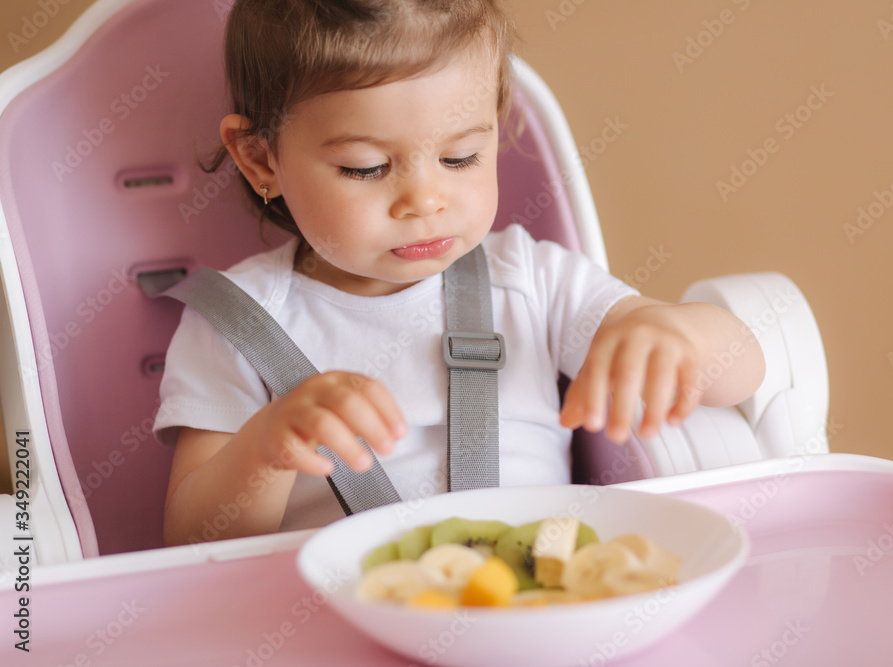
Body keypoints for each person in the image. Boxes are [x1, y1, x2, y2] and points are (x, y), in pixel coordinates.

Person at [155, 0, 765, 547]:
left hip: (532, 601)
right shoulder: (239, 322)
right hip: (333, 612)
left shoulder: (529, 278)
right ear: (260, 159)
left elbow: (740, 374)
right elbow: (192, 540)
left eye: (460, 157)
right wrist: (268, 447)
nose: (425, 200)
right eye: (366, 168)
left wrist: (674, 335)